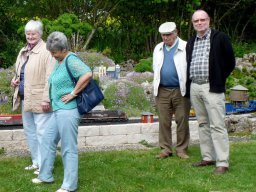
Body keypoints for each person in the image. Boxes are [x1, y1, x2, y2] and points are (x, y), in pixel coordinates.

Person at [32, 31, 92, 192]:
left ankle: (69, 185)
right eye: (50, 52)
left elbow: (87, 73)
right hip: (57, 109)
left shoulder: (71, 59)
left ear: (64, 49)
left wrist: (74, 93)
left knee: (68, 148)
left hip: (68, 111)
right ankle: (45, 175)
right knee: (47, 139)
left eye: (54, 52)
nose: (52, 55)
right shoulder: (60, 61)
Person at [185, 10, 235, 174]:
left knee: (217, 125)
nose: (199, 23)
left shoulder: (220, 38)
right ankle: (207, 157)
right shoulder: (191, 41)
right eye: (196, 21)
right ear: (193, 24)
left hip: (211, 87)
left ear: (209, 21)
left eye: (202, 20)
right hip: (195, 87)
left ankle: (222, 162)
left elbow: (230, 62)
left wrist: (219, 78)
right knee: (203, 124)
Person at [11, 20, 55, 173]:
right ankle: (36, 162)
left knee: (42, 133)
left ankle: (45, 165)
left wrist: (46, 98)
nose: (30, 36)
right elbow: (21, 72)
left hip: (40, 99)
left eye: (33, 33)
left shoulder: (47, 51)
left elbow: (50, 77)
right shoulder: (24, 50)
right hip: (25, 98)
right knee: (30, 131)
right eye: (27, 33)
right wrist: (15, 80)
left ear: (40, 34)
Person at [153, 22, 190, 159]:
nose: (166, 38)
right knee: (163, 121)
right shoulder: (158, 48)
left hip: (181, 89)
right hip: (162, 90)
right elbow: (156, 68)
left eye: (168, 35)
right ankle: (165, 149)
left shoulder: (186, 46)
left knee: (182, 120)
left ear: (176, 33)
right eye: (163, 35)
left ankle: (181, 149)